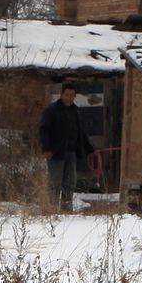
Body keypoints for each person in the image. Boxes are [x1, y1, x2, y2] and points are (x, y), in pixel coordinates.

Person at [36, 82, 94, 211]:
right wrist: (47, 148)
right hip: (56, 152)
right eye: (67, 95)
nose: (69, 98)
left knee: (70, 182)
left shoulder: (75, 111)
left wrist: (89, 148)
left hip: (71, 152)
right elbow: (44, 130)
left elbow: (80, 131)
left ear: (74, 96)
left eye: (72, 95)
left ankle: (66, 209)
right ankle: (52, 209)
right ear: (62, 94)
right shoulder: (52, 110)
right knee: (55, 183)